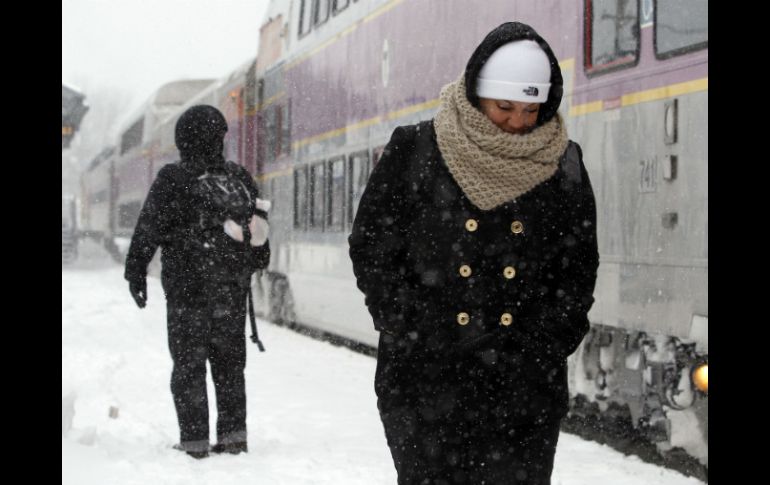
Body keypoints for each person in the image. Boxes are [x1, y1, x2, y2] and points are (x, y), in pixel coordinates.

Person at [349, 22, 599, 484]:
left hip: (522, 389)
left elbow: (578, 269)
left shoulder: (563, 162)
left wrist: (544, 345)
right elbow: (372, 249)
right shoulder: (416, 149)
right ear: (476, 91)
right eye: (504, 106)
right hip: (427, 381)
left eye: (531, 109)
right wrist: (409, 328)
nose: (518, 121)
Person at [124, 105, 270, 459]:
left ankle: (194, 442)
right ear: (220, 136)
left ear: (182, 137)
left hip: (187, 292)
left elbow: (148, 228)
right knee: (230, 366)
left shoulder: (173, 179)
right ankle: (234, 437)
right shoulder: (240, 177)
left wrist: (136, 270)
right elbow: (260, 241)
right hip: (231, 293)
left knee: (189, 367)